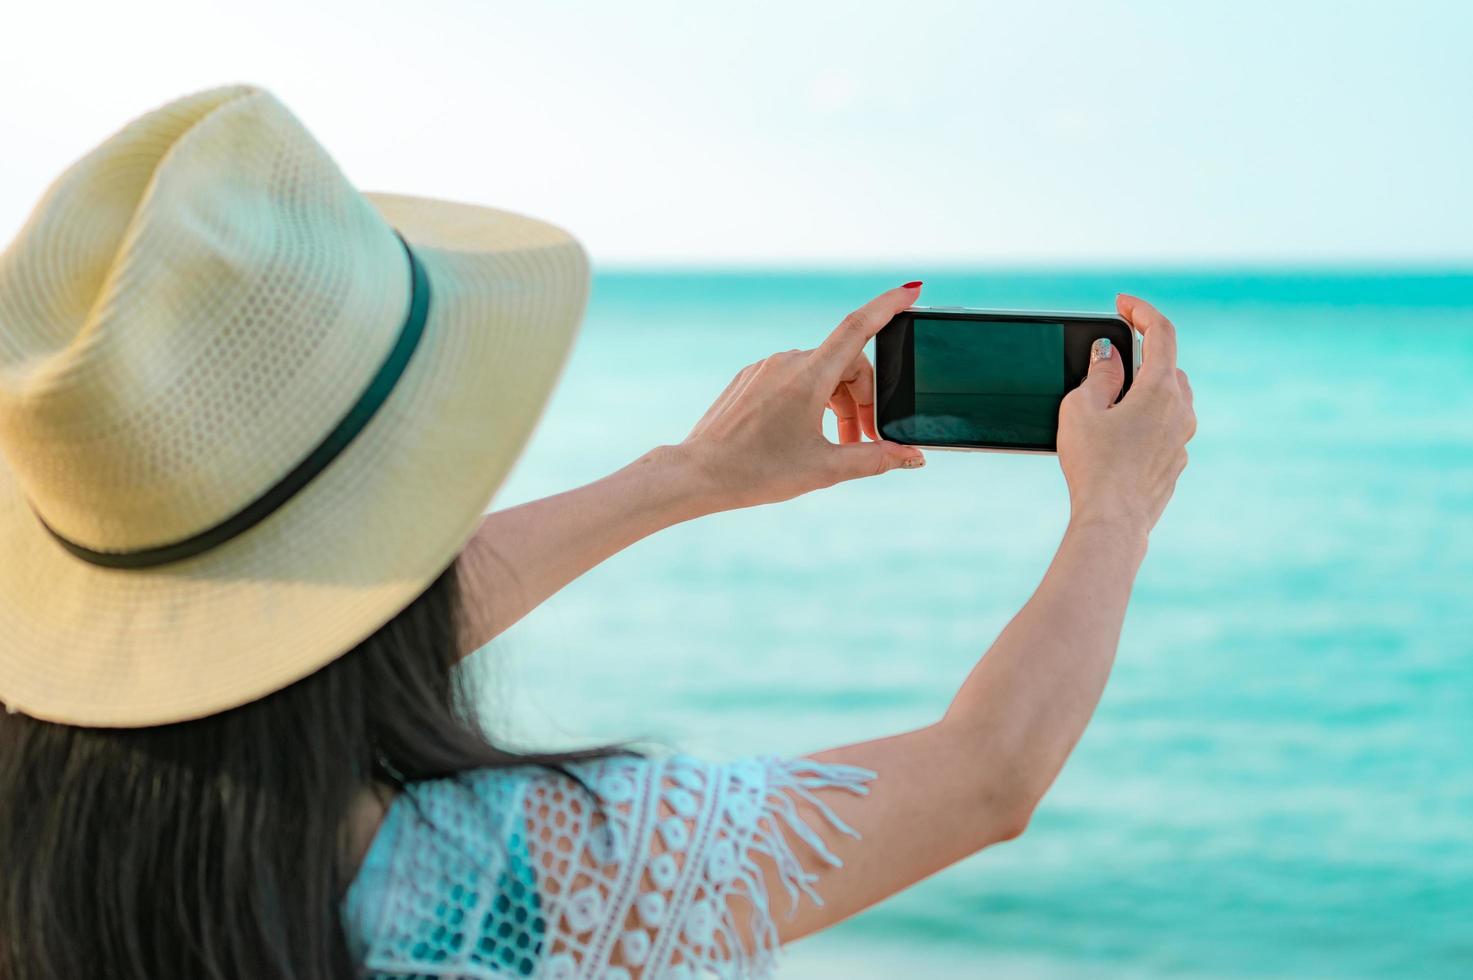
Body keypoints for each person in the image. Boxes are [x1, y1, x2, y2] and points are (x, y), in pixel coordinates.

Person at [0, 86, 1195, 980]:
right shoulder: (504, 886)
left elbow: (302, 626)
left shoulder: (40, 825)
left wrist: (691, 475)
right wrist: (1117, 508)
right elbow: (984, 776)